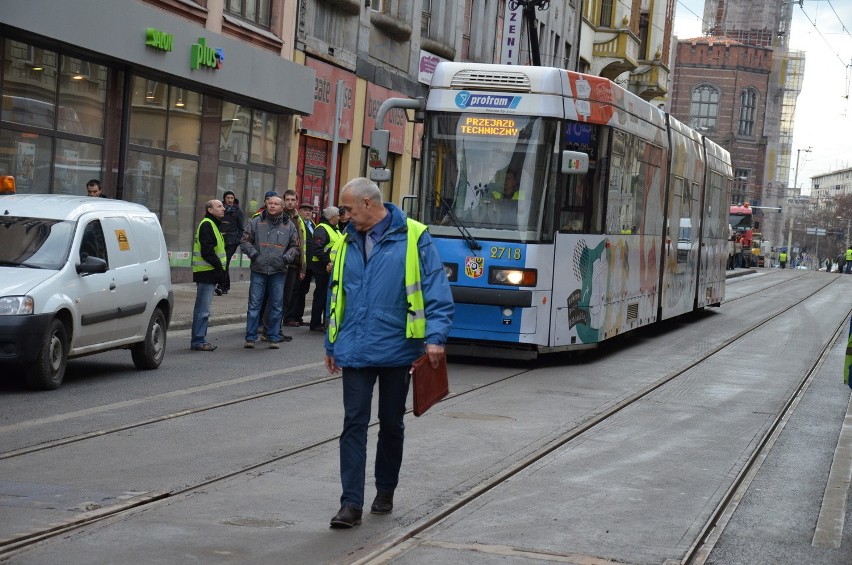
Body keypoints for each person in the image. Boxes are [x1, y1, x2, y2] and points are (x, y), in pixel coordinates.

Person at [325, 177, 454, 529]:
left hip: (398, 347)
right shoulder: (347, 240)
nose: (343, 215)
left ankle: (385, 490)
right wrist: (331, 343)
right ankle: (350, 503)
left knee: (391, 423)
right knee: (353, 423)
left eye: (348, 209)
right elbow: (336, 294)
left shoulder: (414, 235)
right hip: (354, 347)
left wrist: (436, 337)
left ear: (368, 203)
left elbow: (435, 288)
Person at [240, 194, 299, 349]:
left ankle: (273, 336)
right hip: (258, 269)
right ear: (266, 205)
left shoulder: (289, 225)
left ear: (282, 207)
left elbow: (295, 246)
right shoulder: (256, 222)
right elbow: (245, 241)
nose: (272, 206)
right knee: (254, 305)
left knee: (277, 305)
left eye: (276, 204)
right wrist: (254, 255)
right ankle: (250, 337)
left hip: (278, 271)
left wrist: (286, 258)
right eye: (269, 203)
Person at [190, 199, 227, 351]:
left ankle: (199, 339)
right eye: (219, 206)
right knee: (203, 310)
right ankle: (198, 340)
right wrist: (220, 268)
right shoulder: (207, 224)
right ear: (210, 210)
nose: (223, 208)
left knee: (203, 309)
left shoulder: (212, 224)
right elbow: (207, 252)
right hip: (206, 273)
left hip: (208, 273)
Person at [308, 206, 341, 332]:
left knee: (328, 296)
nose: (339, 217)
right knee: (321, 295)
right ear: (332, 217)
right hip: (322, 268)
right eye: (338, 215)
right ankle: (315, 323)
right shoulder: (322, 229)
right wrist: (327, 262)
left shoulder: (335, 229)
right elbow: (317, 249)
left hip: (331, 267)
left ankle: (325, 322)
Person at [289, 202, 317, 326]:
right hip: (300, 262)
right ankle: (290, 316)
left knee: (304, 290)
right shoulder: (298, 222)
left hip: (310, 264)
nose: (308, 213)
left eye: (310, 211)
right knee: (295, 290)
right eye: (305, 210)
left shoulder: (313, 225)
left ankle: (298, 316)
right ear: (299, 211)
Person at [282, 190, 307, 327]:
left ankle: (276, 329)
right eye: (288, 199)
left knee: (287, 297)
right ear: (284, 201)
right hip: (280, 263)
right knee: (276, 297)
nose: (290, 202)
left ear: (296, 201)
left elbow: (302, 245)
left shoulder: (298, 219)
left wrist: (302, 267)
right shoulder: (280, 216)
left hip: (293, 264)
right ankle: (270, 328)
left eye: (293, 200)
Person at [216, 190, 244, 296]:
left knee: (225, 262)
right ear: (224, 199)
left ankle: (220, 286)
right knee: (222, 263)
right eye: (228, 198)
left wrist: (237, 240)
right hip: (220, 241)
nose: (230, 200)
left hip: (231, 242)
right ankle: (226, 285)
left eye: (232, 198)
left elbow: (241, 228)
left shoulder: (238, 212)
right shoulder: (220, 210)